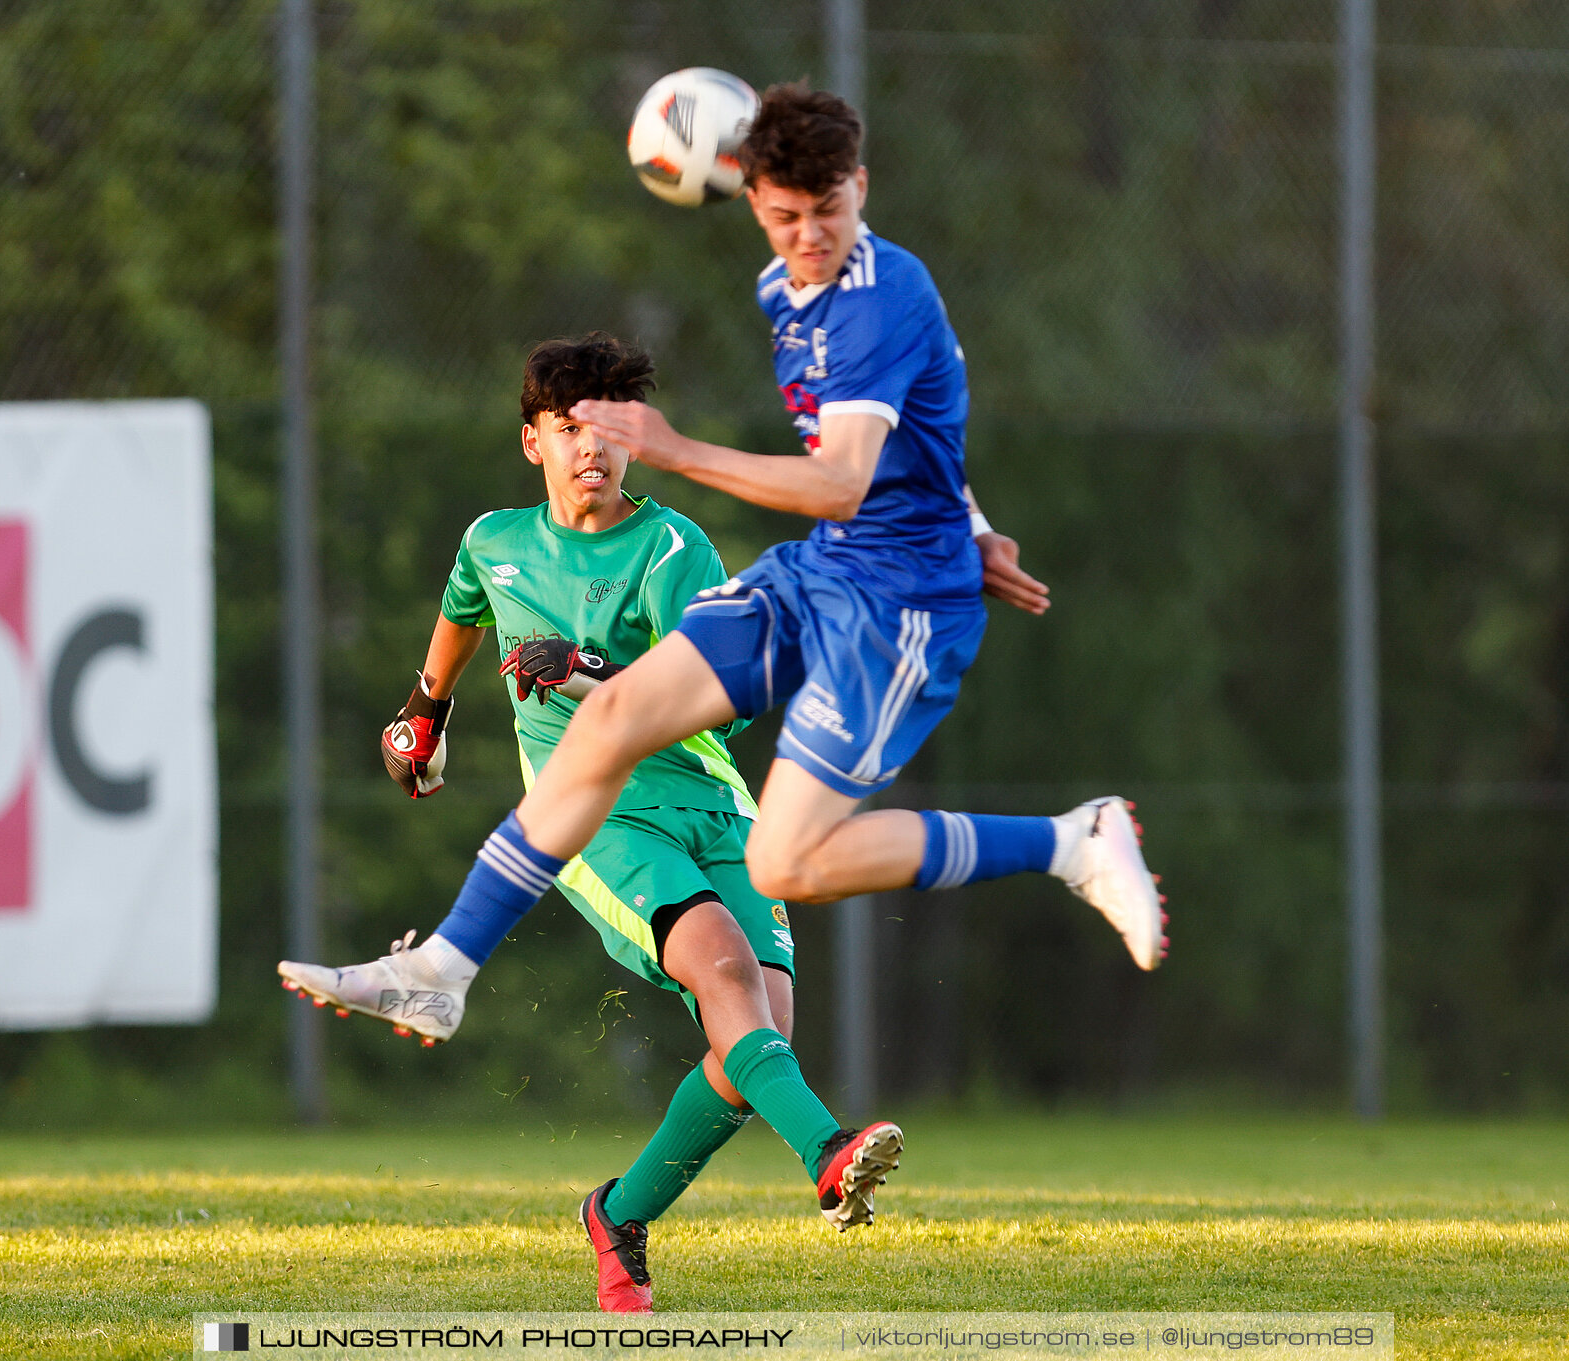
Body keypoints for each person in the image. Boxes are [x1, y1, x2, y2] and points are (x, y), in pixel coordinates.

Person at [283, 80, 1168, 1304]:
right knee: (604, 725)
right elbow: (924, 445)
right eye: (785, 212)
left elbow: (850, 475)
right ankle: (449, 969)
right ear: (744, 196)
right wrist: (974, 517)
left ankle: (1074, 841)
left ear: (865, 188)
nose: (809, 234)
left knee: (789, 880)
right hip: (821, 577)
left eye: (831, 208)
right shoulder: (774, 294)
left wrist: (678, 444)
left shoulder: (878, 299)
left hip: (895, 606)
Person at [280, 332, 901, 1313]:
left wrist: (591, 673)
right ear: (534, 441)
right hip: (602, 816)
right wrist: (424, 711)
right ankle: (828, 1150)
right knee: (730, 977)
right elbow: (460, 608)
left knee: (751, 1049)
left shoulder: (670, 548)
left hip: (716, 806)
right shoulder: (495, 541)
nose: (591, 449)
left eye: (610, 430)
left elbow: (723, 700)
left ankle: (619, 1214)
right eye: (568, 429)